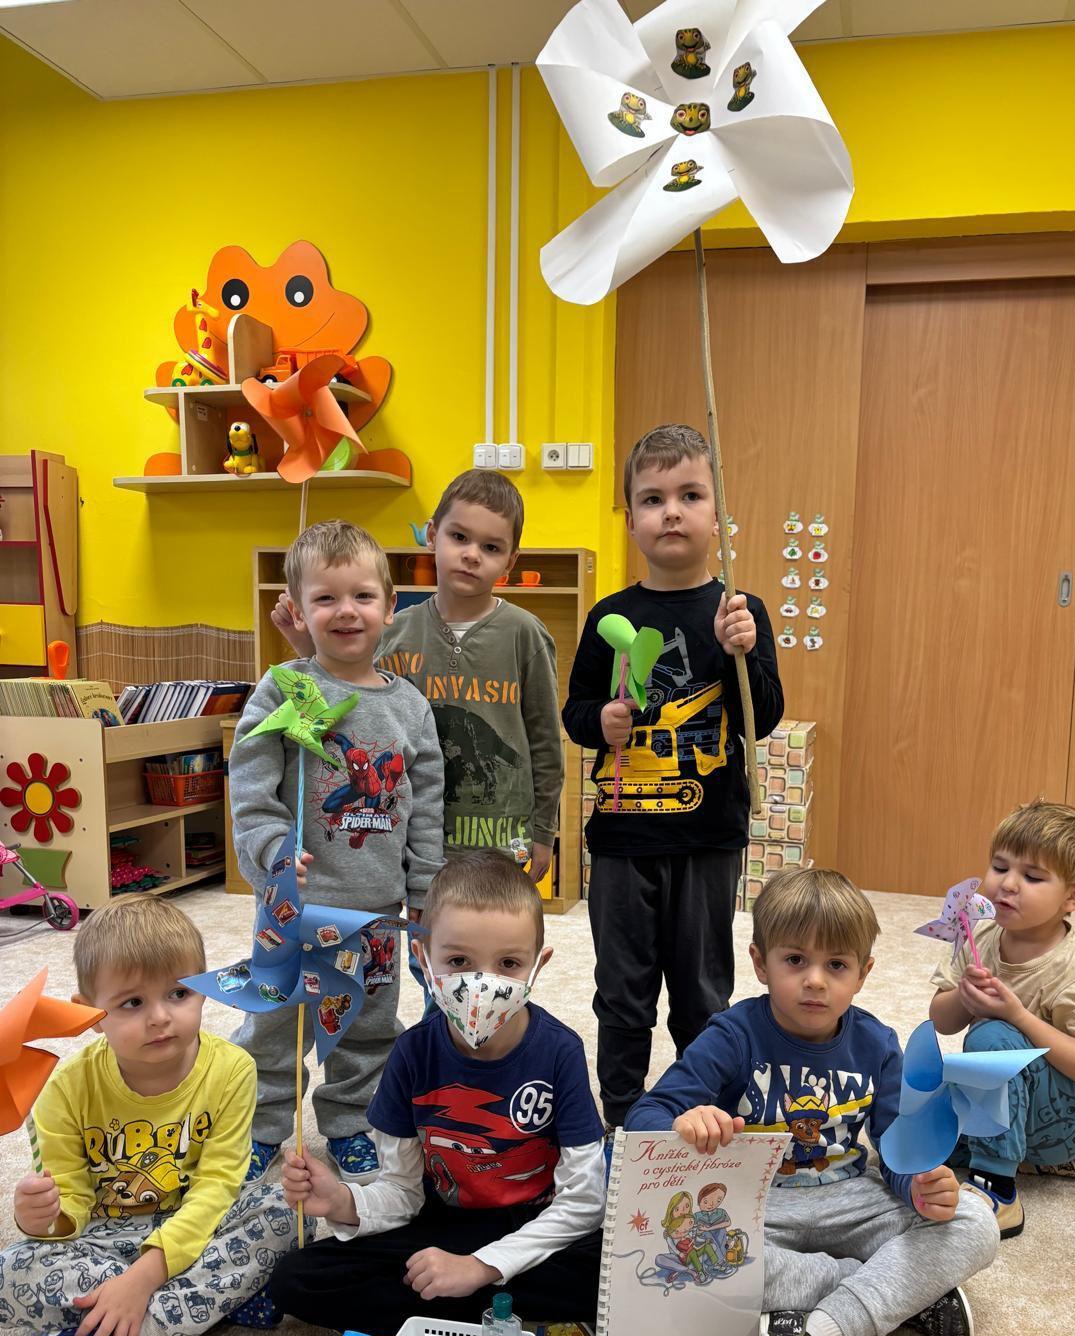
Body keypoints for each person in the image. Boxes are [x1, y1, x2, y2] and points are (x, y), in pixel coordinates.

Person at [625, 866, 999, 1336]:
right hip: (757, 1206)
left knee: (975, 1222)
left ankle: (819, 1328)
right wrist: (686, 1123)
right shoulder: (732, 1035)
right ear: (761, 963)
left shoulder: (877, 1043)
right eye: (795, 960)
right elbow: (644, 1117)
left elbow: (896, 1144)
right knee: (681, 1256)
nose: (816, 980)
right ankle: (898, 1294)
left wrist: (919, 1185)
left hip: (852, 1199)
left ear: (863, 973)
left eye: (836, 965)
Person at [268, 850, 606, 1336]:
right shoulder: (412, 1053)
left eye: (508, 963)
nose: (482, 984)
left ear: (538, 965)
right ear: (424, 959)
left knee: (616, 1269)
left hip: (534, 1223)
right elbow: (401, 1193)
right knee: (297, 1279)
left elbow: (583, 1203)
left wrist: (481, 1267)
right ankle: (493, 1312)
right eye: (459, 961)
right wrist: (342, 1201)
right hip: (442, 1220)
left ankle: (459, 1303)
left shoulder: (560, 1051)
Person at [562, 423, 785, 1129]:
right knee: (621, 990)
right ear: (631, 520)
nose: (672, 512)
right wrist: (602, 720)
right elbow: (575, 712)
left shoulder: (740, 611)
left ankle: (703, 1110)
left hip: (707, 836)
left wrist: (742, 653)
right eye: (653, 499)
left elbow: (761, 719)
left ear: (718, 516)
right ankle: (622, 1119)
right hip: (623, 835)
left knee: (702, 992)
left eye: (690, 495)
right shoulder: (609, 616)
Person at [0, 899, 301, 1336]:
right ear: (90, 1014)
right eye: (132, 1003)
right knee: (12, 1269)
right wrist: (43, 1219)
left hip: (198, 1226)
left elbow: (216, 1190)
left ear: (204, 988)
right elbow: (72, 1201)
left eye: (179, 993)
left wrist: (142, 1281)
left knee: (289, 1213)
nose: (160, 1017)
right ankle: (215, 1305)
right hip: (104, 1238)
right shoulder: (65, 1087)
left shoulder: (233, 1070)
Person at [230, 519, 444, 1182]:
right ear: (298, 611)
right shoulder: (283, 688)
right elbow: (250, 783)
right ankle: (262, 1125)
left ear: (390, 606)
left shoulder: (411, 708)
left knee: (367, 1024)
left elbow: (426, 807)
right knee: (276, 1021)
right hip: (293, 902)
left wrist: (424, 891)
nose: (346, 611)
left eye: (362, 596)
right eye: (325, 598)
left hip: (376, 907)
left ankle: (352, 1120)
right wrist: (270, 848)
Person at [271, 471, 563, 889]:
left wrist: (544, 831)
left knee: (496, 928)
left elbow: (545, 741)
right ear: (431, 535)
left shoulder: (526, 634)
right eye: (459, 537)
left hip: (501, 837)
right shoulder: (393, 630)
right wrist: (306, 645)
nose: (472, 555)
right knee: (427, 929)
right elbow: (349, 695)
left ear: (510, 561)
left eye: (491, 547)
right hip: (412, 837)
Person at [929, 799, 1075, 1239]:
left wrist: (1016, 1015)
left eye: (1033, 877)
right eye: (1000, 867)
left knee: (993, 1036)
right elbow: (941, 1022)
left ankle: (998, 1187)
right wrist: (964, 997)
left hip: (1070, 1118)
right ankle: (1028, 1157)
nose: (1008, 884)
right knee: (906, 1128)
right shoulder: (977, 932)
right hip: (999, 1100)